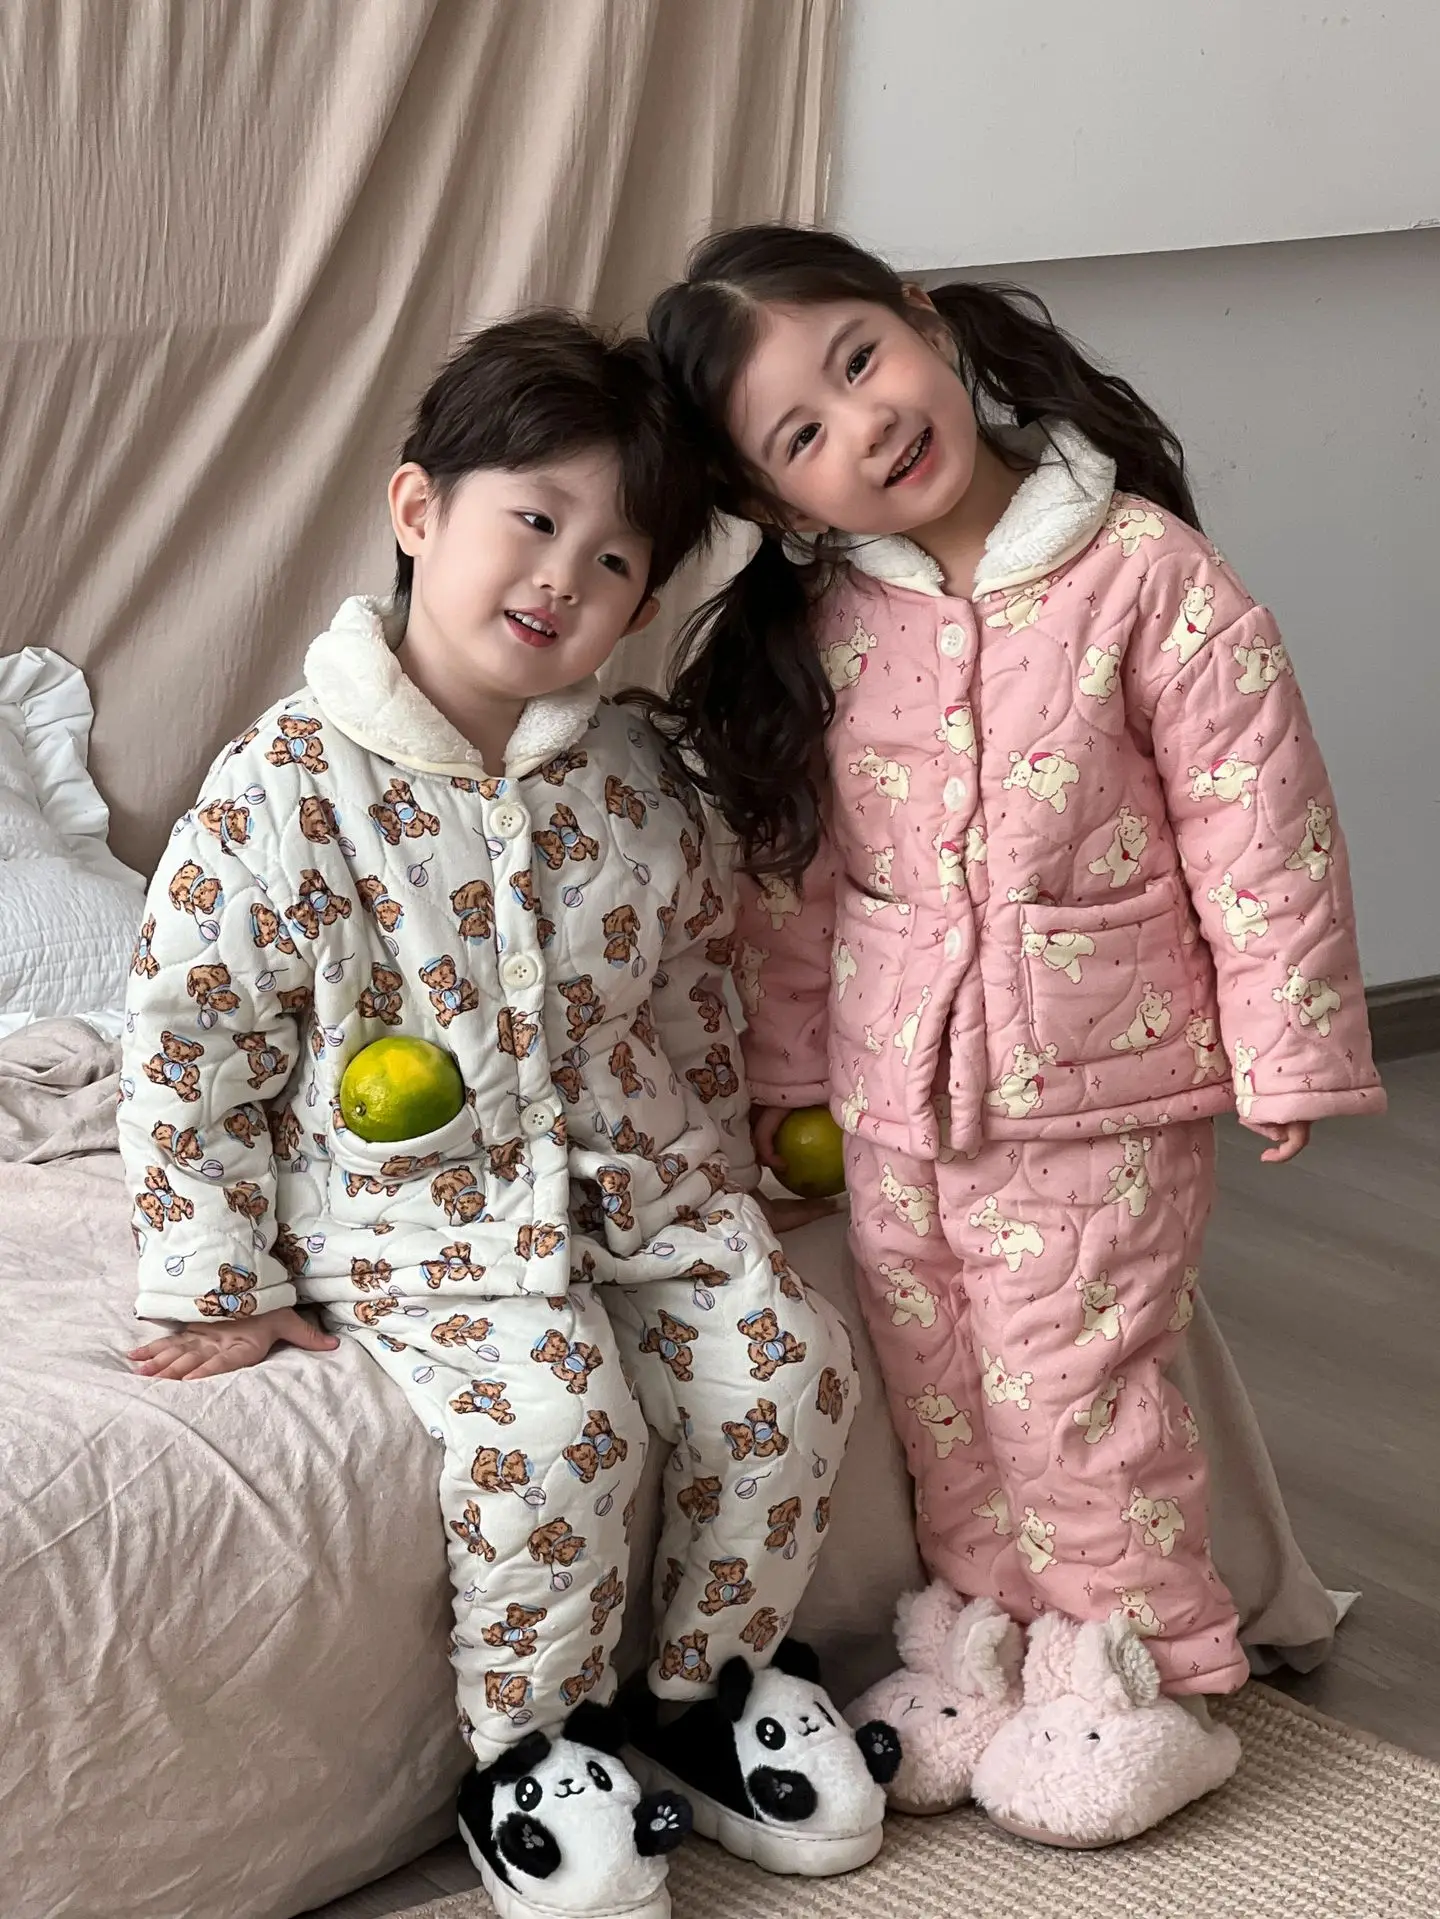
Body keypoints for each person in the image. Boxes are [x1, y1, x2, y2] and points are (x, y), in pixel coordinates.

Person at [117, 313, 884, 1919]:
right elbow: (193, 1042)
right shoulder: (282, 786)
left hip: (644, 1184)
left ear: (642, 605)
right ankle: (536, 1749)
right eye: (533, 520)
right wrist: (217, 1277)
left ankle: (707, 1686)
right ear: (419, 510)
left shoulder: (639, 777)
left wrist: (736, 1164)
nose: (560, 579)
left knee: (790, 1362)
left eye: (611, 562)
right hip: (415, 1221)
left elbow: (692, 987)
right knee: (559, 1430)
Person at [644, 225, 1384, 1845]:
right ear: (778, 503)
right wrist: (787, 1080)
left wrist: (1285, 1038)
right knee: (945, 1392)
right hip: (892, 1088)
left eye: (861, 361)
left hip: (1104, 1080)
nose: (866, 424)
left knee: (1077, 1385)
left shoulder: (1144, 574)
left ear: (923, 320)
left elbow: (1257, 815)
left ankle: (1142, 1674)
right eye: (803, 433)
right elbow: (798, 887)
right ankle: (982, 1646)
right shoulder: (830, 628)